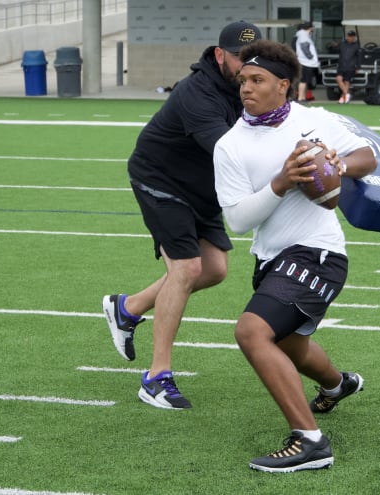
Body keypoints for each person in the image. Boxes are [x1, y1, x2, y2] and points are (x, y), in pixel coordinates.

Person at [213, 39, 377, 473]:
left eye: (257, 80)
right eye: (242, 80)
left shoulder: (314, 120)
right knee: (292, 345)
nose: (245, 88)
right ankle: (339, 385)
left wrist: (336, 166)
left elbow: (368, 156)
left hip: (319, 254)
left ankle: (310, 441)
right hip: (271, 259)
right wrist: (282, 181)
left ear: (283, 84)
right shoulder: (230, 145)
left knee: (251, 332)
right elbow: (237, 221)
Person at [102, 20, 261, 411]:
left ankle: (128, 309)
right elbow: (231, 155)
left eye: (254, 58)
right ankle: (156, 378)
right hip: (161, 180)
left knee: (214, 269)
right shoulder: (198, 93)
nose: (247, 68)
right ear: (220, 54)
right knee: (186, 269)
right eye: (241, 59)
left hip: (201, 189)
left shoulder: (253, 83)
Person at [294, 21, 319, 102]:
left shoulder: (302, 35)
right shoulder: (304, 35)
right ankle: (301, 97)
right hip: (306, 62)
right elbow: (305, 47)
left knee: (304, 80)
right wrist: (310, 57)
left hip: (305, 62)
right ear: (310, 28)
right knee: (303, 80)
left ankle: (303, 97)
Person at [335, 30, 361, 104]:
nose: (349, 38)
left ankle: (343, 98)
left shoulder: (356, 46)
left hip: (351, 66)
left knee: (347, 81)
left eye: (351, 36)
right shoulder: (342, 44)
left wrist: (358, 67)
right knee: (338, 79)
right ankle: (347, 94)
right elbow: (336, 50)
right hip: (341, 66)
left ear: (354, 37)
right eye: (348, 36)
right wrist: (334, 46)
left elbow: (359, 57)